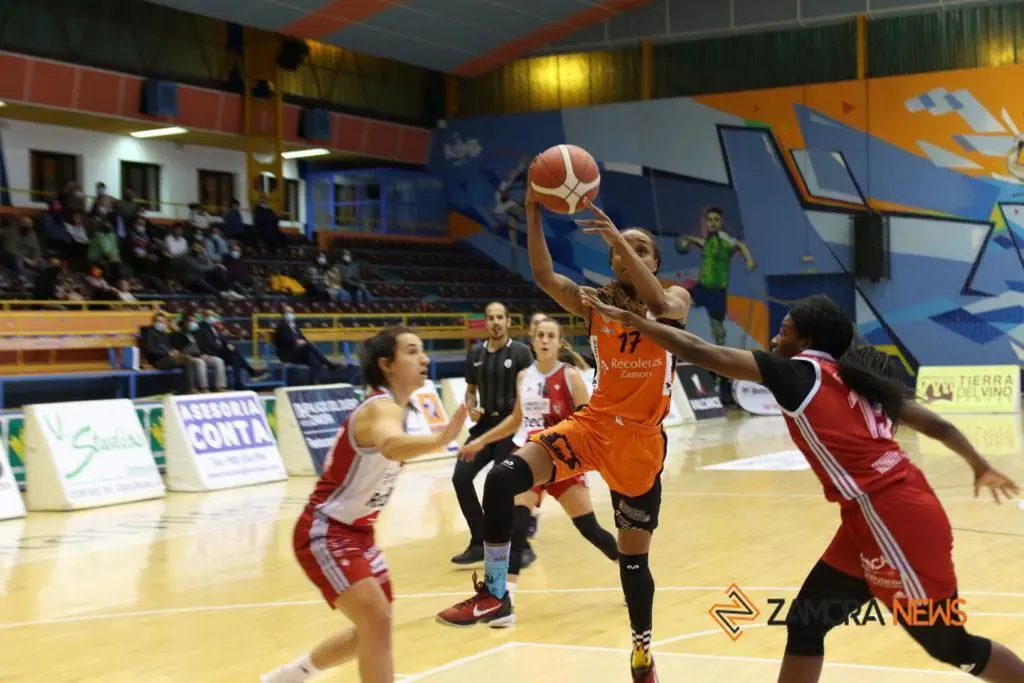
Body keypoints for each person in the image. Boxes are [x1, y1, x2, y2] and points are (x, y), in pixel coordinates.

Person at [581, 292, 1024, 683]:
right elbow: (938, 424)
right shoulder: (852, 376)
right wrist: (979, 465)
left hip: (891, 519)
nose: (776, 336)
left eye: (785, 329)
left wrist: (635, 322)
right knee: (806, 623)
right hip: (873, 514)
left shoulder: (798, 374)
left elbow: (699, 349)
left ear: (805, 342)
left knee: (950, 644)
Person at [436, 188, 690, 683]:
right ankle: (493, 590)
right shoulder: (593, 304)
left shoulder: (671, 299)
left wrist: (617, 233)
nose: (626, 254)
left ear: (656, 261)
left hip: (640, 445)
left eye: (640, 249)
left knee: (632, 562)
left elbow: (658, 300)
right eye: (619, 250)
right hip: (591, 426)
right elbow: (544, 275)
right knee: (502, 478)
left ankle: (641, 650)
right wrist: (532, 210)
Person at [260, 327, 468, 683]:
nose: (425, 359)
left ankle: (290, 676)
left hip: (359, 532)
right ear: (387, 364)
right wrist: (439, 440)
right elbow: (389, 444)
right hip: (326, 529)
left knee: (373, 627)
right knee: (377, 620)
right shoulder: (381, 409)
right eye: (413, 351)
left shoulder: (397, 408)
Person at [455, 317, 617, 615]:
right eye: (540, 335)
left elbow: (589, 423)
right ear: (532, 341)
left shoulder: (570, 377)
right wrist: (481, 441)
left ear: (559, 343)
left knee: (589, 529)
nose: (544, 340)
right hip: (528, 459)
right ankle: (505, 602)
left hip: (563, 460)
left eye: (550, 335)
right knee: (516, 527)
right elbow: (516, 420)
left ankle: (627, 566)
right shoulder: (523, 377)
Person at [450, 301, 533, 565]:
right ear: (485, 322)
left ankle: (522, 545)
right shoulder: (475, 353)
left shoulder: (521, 352)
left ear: (508, 321)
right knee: (461, 478)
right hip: (484, 427)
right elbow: (471, 389)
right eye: (490, 318)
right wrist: (471, 406)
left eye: (500, 317)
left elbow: (528, 393)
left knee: (501, 486)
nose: (495, 322)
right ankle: (478, 541)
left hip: (511, 428)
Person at [274, 305, 340, 382]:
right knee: (308, 345)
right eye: (287, 312)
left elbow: (302, 337)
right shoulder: (281, 326)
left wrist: (302, 341)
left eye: (291, 312)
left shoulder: (295, 326)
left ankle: (314, 383)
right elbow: (284, 339)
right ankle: (328, 363)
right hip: (287, 354)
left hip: (298, 353)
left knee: (314, 360)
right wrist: (295, 341)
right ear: (283, 314)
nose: (290, 314)